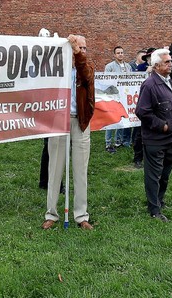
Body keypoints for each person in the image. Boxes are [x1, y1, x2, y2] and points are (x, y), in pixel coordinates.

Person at [42, 35, 95, 230]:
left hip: (80, 121)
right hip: (59, 121)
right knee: (54, 168)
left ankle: (81, 215)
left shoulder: (86, 67)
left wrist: (77, 54)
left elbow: (86, 73)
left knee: (81, 170)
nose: (82, 51)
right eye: (78, 47)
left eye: (84, 48)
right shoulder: (56, 69)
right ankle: (51, 213)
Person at [135, 48, 172, 222]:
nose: (171, 64)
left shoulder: (168, 80)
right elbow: (142, 111)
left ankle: (159, 200)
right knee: (154, 175)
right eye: (167, 62)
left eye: (170, 61)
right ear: (156, 65)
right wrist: (162, 126)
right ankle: (154, 209)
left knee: (165, 174)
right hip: (156, 139)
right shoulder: (149, 85)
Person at [104, 45, 132, 152]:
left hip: (124, 96)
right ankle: (108, 142)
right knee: (111, 119)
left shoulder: (128, 66)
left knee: (122, 118)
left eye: (122, 52)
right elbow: (106, 81)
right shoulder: (109, 66)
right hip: (113, 96)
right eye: (118, 53)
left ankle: (118, 141)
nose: (120, 54)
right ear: (114, 55)